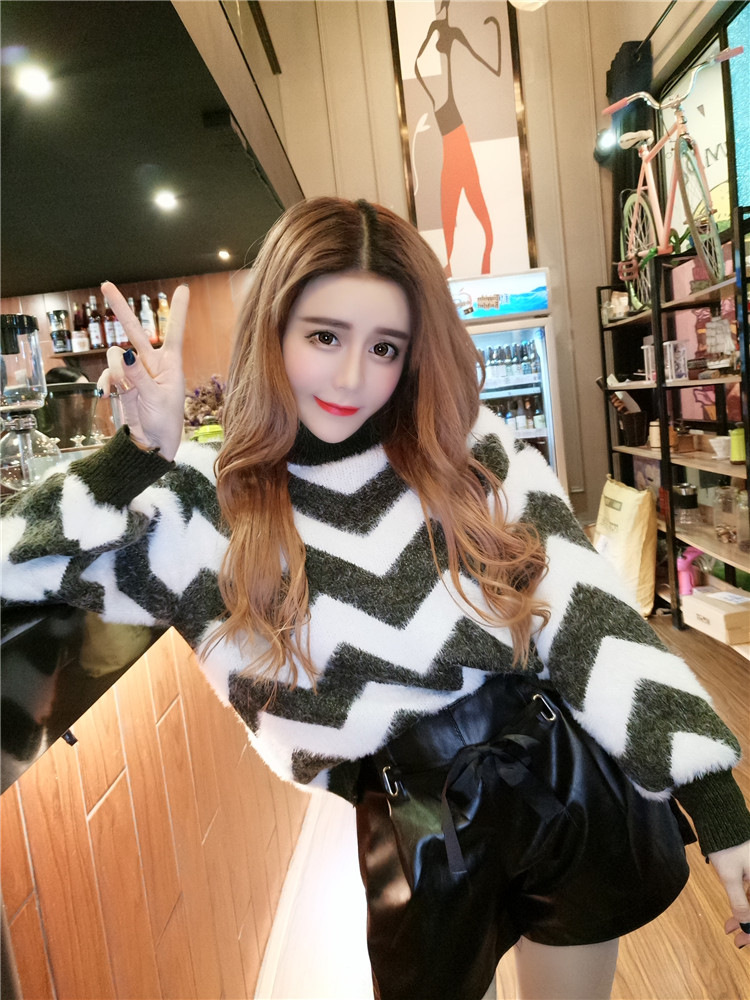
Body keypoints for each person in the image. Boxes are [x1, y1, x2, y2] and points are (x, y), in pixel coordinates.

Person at [2, 197, 748, 1000]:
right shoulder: (203, 505)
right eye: (325, 336)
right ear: (273, 330)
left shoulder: (469, 451)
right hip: (410, 817)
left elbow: (588, 617)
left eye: (385, 346)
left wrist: (716, 803)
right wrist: (138, 453)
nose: (353, 377)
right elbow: (16, 563)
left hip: (562, 783)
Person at [414, 0, 501, 275]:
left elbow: (488, 64)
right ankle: (458, 271)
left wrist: (494, 32)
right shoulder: (436, 28)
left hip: (457, 139)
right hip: (450, 138)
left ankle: (481, 271)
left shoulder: (453, 32)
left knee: (472, 213)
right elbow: (418, 65)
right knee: (451, 212)